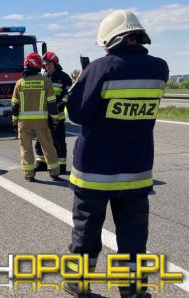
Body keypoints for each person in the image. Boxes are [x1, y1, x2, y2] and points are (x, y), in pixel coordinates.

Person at [65, 10, 169, 298]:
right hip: (136, 170)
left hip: (94, 171)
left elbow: (77, 114)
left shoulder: (100, 68)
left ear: (110, 38)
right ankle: (134, 290)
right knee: (134, 237)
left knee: (86, 232)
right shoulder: (159, 68)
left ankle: (79, 283)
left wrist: (83, 80)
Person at [11, 52, 60, 181]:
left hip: (23, 123)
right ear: (38, 65)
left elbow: (14, 107)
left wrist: (14, 122)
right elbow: (52, 104)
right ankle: (54, 172)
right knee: (47, 145)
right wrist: (55, 120)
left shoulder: (19, 83)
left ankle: (29, 174)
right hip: (42, 122)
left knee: (25, 148)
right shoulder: (46, 81)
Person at [34, 51, 72, 173]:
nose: (46, 66)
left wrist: (62, 103)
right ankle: (41, 162)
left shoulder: (64, 77)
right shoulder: (44, 77)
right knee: (40, 140)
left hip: (58, 117)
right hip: (44, 116)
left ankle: (61, 165)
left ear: (55, 63)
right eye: (45, 64)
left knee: (58, 142)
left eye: (49, 63)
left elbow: (69, 93)